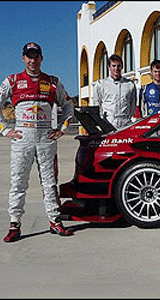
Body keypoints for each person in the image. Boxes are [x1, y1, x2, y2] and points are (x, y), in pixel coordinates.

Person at [0, 42, 75, 242]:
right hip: (22, 138)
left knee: (50, 183)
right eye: (29, 56)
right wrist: (5, 130)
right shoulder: (13, 81)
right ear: (23, 58)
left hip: (45, 139)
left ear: (42, 58)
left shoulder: (52, 81)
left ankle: (55, 220)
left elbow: (68, 105)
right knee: (18, 182)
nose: (33, 60)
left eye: (36, 56)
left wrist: (62, 129)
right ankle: (14, 223)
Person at [93, 54, 136, 130]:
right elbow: (97, 104)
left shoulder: (130, 85)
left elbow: (132, 106)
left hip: (125, 125)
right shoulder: (101, 84)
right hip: (108, 124)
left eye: (119, 66)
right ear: (109, 67)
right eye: (113, 66)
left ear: (122, 67)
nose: (116, 68)